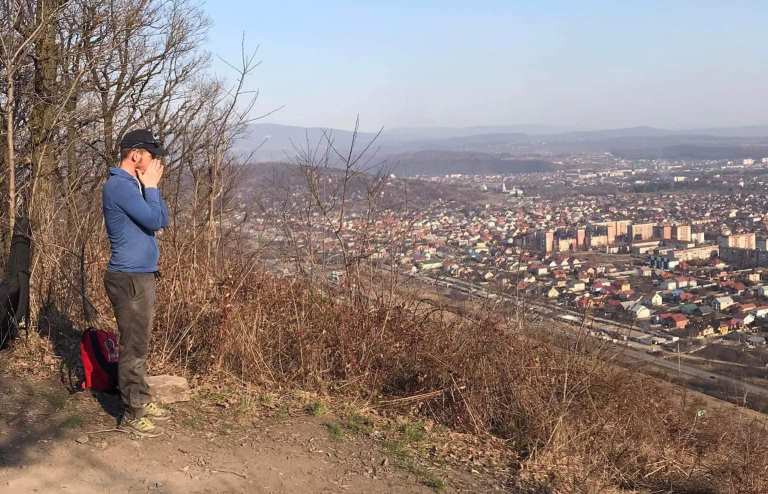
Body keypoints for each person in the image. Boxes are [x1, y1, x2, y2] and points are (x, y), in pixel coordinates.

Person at [102, 129, 171, 437]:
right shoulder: (119, 186)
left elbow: (162, 218)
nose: (155, 163)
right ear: (136, 154)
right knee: (133, 346)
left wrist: (152, 188)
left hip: (140, 275)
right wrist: (152, 187)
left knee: (139, 342)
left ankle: (139, 397)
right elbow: (154, 221)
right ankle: (132, 413)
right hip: (129, 278)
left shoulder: (135, 185)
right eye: (151, 156)